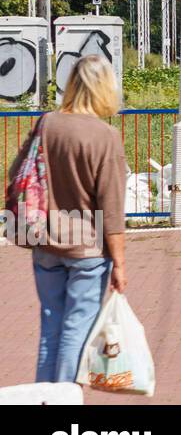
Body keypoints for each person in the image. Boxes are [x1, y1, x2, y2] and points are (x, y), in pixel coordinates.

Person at [10, 55, 128, 383]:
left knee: (51, 327)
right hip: (87, 250)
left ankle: (44, 396)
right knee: (76, 330)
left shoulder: (46, 123)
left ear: (72, 84)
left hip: (44, 242)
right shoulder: (105, 137)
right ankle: (63, 403)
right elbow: (112, 206)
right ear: (105, 88)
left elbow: (16, 171)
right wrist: (119, 262)